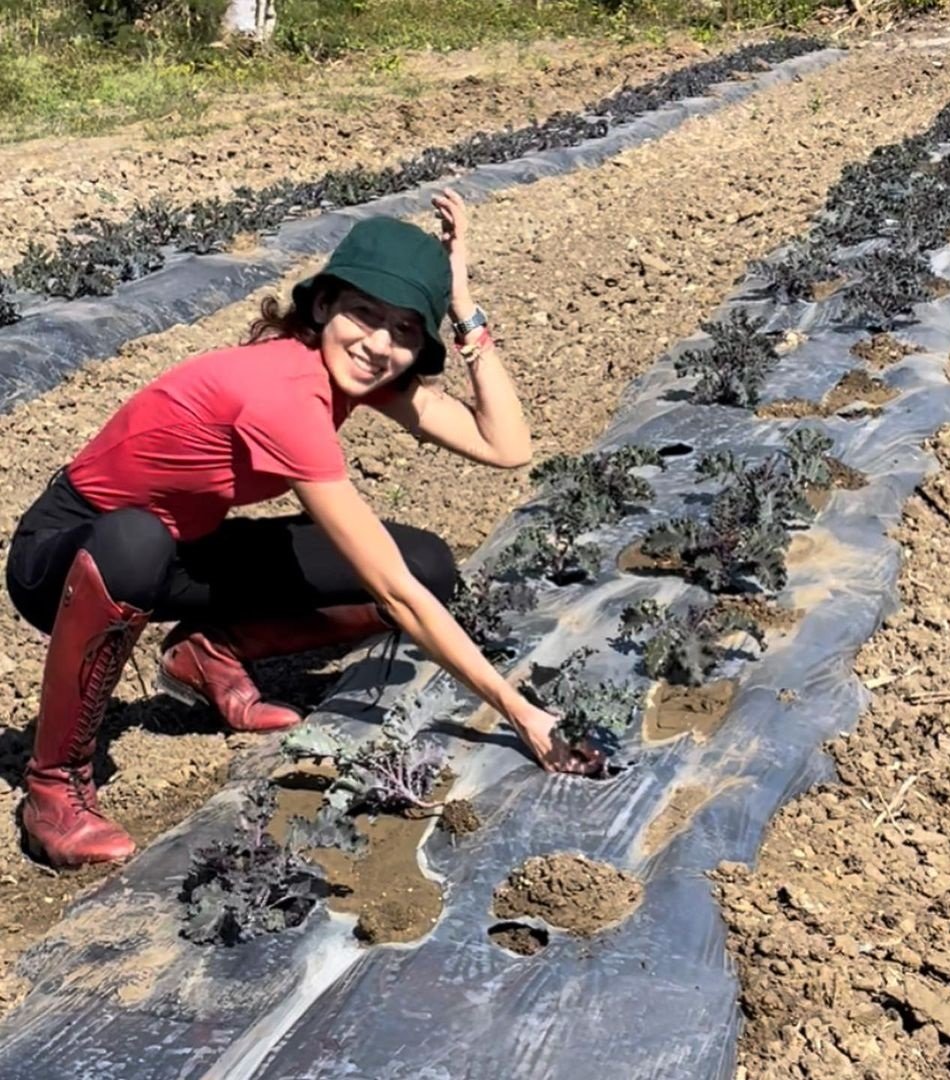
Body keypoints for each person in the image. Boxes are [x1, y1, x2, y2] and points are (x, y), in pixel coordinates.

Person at [5, 189, 599, 870]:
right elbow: (395, 594)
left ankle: (208, 653)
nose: (380, 344)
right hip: (66, 558)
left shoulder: (354, 372)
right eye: (365, 314)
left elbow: (507, 444)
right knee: (140, 539)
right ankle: (55, 784)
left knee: (429, 564)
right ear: (323, 306)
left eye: (407, 330)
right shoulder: (282, 394)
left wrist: (464, 306)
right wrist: (521, 712)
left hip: (180, 552)